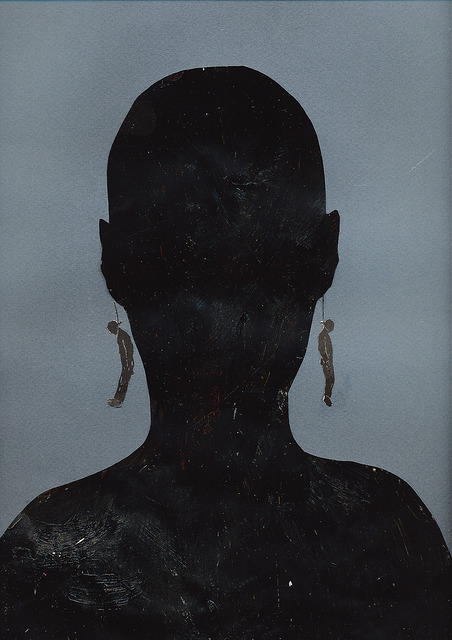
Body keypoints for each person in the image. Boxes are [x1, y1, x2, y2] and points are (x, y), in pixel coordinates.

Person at [1, 66, 450, 639]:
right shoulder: (384, 532)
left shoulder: (51, 550)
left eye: (260, 267)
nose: (217, 319)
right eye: (180, 265)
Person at [106, 319, 134, 408]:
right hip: (126, 363)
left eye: (110, 330)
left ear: (113, 328)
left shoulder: (122, 336)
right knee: (123, 380)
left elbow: (127, 351)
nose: (110, 332)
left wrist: (129, 366)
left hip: (127, 363)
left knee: (123, 381)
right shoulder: (121, 334)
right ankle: (117, 399)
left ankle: (118, 400)